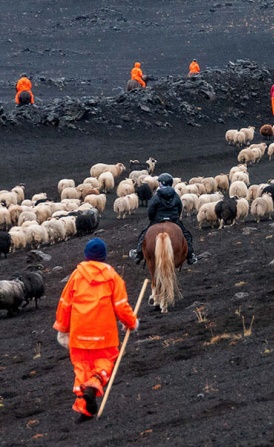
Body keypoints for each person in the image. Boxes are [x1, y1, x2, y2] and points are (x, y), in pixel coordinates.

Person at [54, 237, 138, 423]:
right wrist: (131, 322)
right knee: (104, 361)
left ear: (86, 255)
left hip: (79, 332)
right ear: (104, 256)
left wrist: (62, 327)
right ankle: (94, 385)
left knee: (81, 367)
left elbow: (65, 303)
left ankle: (85, 410)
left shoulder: (76, 275)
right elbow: (121, 305)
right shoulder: (112, 276)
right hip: (103, 332)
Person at [130, 173, 197, 265]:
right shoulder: (175, 195)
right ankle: (190, 256)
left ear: (161, 183)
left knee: (143, 234)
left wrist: (152, 219)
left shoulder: (156, 196)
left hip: (157, 219)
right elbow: (179, 207)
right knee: (186, 235)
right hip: (173, 219)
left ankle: (138, 254)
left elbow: (151, 209)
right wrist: (175, 217)